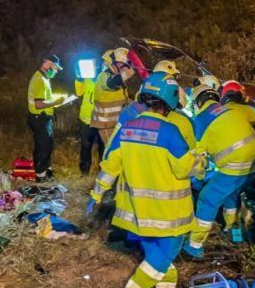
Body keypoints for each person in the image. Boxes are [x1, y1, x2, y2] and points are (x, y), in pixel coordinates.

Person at [86, 72, 205, 288]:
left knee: (154, 254)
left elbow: (109, 167)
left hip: (136, 212)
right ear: (170, 100)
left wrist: (96, 194)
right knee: (167, 252)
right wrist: (201, 162)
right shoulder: (171, 132)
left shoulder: (127, 129)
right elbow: (184, 169)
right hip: (168, 214)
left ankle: (165, 285)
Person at [182, 82, 255, 258]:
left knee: (207, 199)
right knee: (231, 194)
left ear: (197, 102)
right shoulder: (229, 110)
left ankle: (195, 246)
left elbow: (196, 160)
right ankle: (234, 234)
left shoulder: (200, 121)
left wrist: (197, 179)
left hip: (236, 164)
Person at [27, 55, 64, 182]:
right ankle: (41, 178)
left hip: (43, 118)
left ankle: (46, 173)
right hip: (39, 118)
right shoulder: (40, 80)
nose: (55, 71)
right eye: (55, 68)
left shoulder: (43, 78)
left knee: (46, 145)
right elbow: (38, 104)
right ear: (48, 63)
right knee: (43, 147)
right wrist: (56, 102)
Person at [90, 48, 133, 144]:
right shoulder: (103, 76)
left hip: (118, 123)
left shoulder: (118, 77)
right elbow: (112, 84)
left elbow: (122, 99)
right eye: (125, 66)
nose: (126, 69)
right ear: (118, 64)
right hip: (106, 125)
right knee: (112, 152)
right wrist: (128, 72)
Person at [74, 60, 104, 176]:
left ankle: (103, 173)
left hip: (101, 119)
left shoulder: (105, 80)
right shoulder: (87, 79)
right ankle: (84, 172)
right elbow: (78, 92)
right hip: (86, 119)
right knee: (86, 147)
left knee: (103, 147)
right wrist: (78, 77)